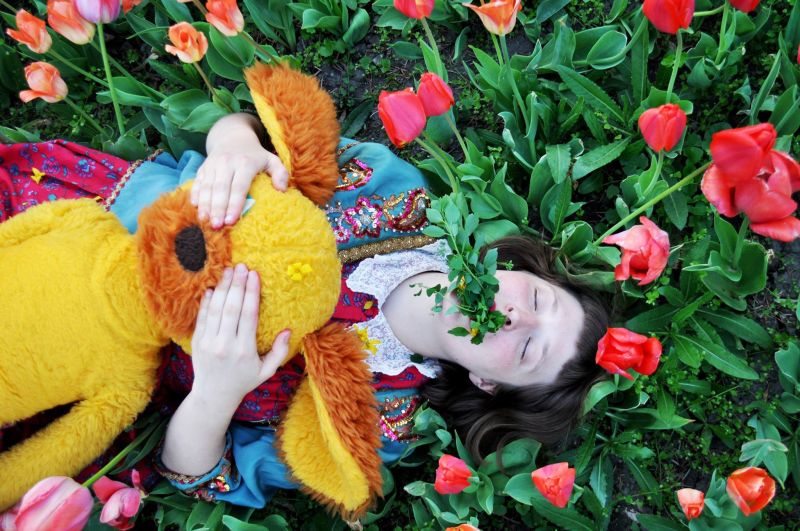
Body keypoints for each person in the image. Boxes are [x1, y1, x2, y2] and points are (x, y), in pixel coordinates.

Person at [0, 111, 610, 510]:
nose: (515, 316)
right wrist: (235, 150)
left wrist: (215, 391)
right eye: (537, 299)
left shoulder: (376, 423)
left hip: (85, 363)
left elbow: (200, 477)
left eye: (526, 349)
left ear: (487, 383)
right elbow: (245, 127)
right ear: (514, 271)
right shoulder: (396, 190)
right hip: (96, 219)